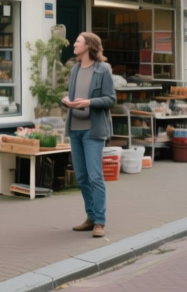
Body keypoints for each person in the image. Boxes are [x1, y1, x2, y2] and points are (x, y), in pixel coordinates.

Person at [62, 32, 116, 238]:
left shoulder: (103, 69)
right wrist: (67, 101)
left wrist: (89, 102)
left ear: (88, 46)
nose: (74, 44)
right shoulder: (75, 69)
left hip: (93, 130)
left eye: (77, 41)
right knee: (82, 178)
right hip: (75, 128)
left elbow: (111, 98)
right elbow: (73, 97)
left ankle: (100, 222)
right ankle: (91, 216)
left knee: (95, 176)